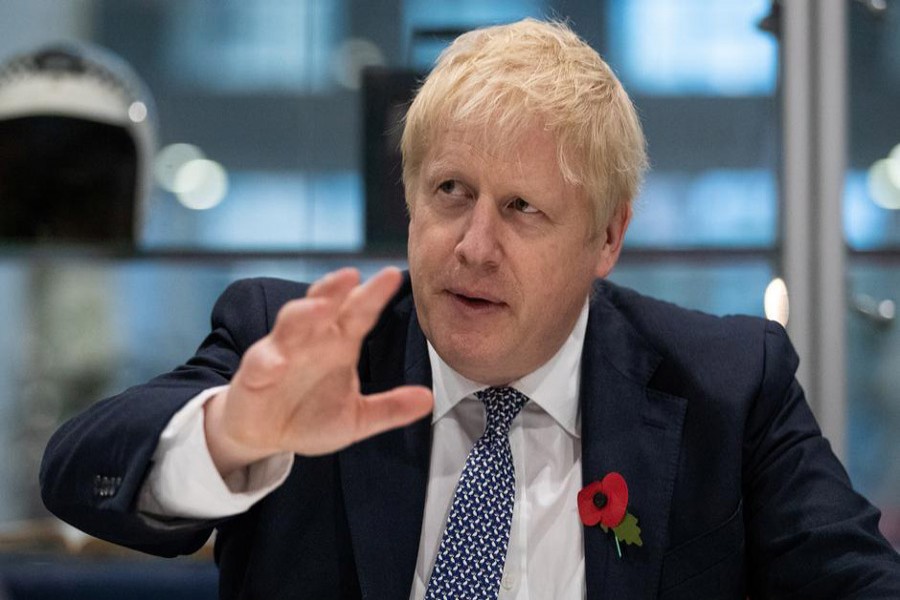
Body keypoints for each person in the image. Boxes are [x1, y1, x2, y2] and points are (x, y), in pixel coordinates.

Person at [41, 18, 899, 599]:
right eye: (451, 192)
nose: (474, 246)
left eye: (523, 209)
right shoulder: (302, 352)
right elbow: (80, 473)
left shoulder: (726, 385)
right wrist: (233, 431)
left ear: (607, 237)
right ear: (411, 199)